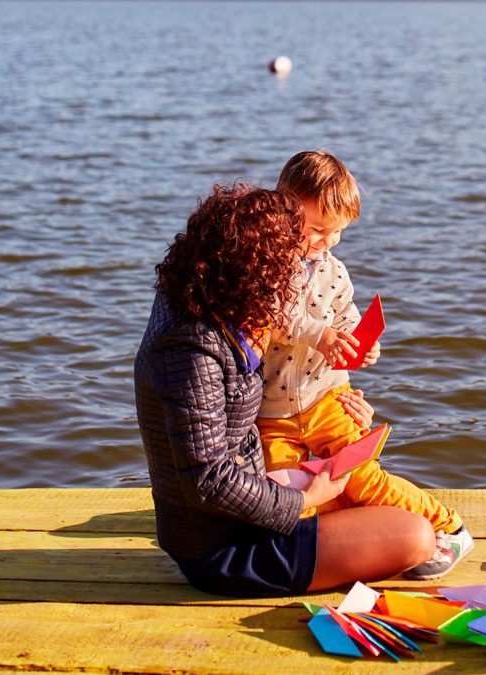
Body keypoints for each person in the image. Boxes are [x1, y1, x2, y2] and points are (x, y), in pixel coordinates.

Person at [133, 184, 434, 597]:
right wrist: (304, 500)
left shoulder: (205, 305)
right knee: (414, 536)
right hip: (226, 550)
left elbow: (238, 427)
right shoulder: (191, 351)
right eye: (280, 279)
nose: (287, 292)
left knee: (372, 497)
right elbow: (208, 480)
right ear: (245, 275)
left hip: (255, 501)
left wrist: (340, 405)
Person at [257, 151, 473, 580]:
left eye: (336, 232)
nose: (327, 240)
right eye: (318, 229)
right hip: (273, 412)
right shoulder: (265, 266)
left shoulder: (334, 272)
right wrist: (319, 336)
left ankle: (448, 526)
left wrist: (361, 343)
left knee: (362, 478)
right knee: (286, 491)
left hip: (327, 396)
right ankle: (356, 538)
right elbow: (273, 315)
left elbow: (346, 317)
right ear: (284, 210)